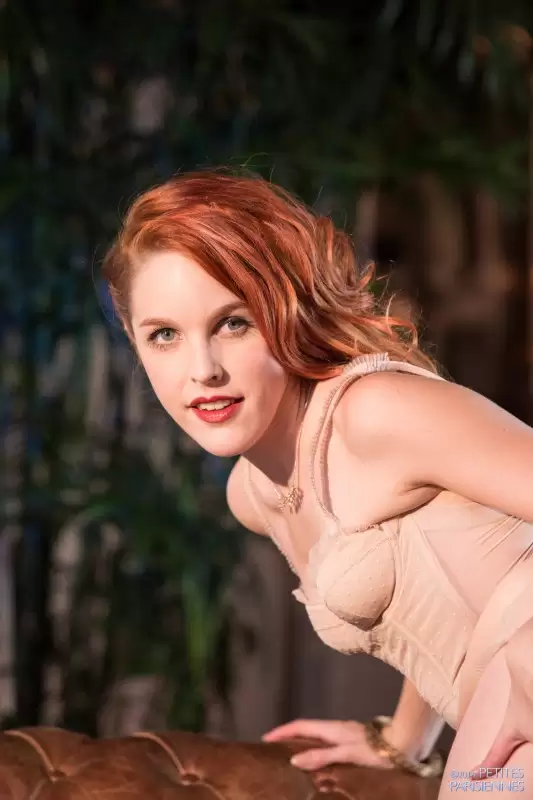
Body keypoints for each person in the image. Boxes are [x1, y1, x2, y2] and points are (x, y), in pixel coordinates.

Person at [102, 169, 533, 799]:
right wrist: (401, 741)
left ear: (286, 310)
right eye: (164, 335)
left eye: (234, 323)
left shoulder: (373, 411)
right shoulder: (253, 496)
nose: (203, 370)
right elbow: (445, 608)